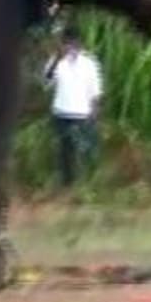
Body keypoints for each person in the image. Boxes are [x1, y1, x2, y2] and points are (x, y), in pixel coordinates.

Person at [44, 26, 102, 187]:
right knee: (65, 152)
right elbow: (46, 82)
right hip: (61, 113)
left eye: (73, 43)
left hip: (82, 114)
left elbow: (95, 91)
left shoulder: (89, 63)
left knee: (84, 150)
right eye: (66, 43)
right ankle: (67, 185)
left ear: (79, 43)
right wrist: (57, 58)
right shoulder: (56, 61)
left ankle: (87, 183)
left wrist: (95, 112)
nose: (70, 46)